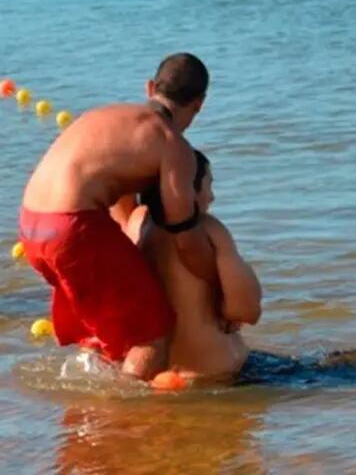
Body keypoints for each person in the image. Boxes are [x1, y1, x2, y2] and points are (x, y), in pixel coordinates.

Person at [18, 53, 216, 379]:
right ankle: (124, 419)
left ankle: (90, 419)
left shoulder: (107, 117)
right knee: (151, 337)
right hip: (72, 226)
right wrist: (218, 287)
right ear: (199, 104)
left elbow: (124, 220)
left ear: (150, 87)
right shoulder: (171, 144)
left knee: (106, 329)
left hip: (31, 225)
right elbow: (186, 234)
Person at [126, 151, 262, 382]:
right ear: (185, 190)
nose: (212, 197)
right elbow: (245, 311)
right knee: (337, 367)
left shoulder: (138, 222)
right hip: (216, 373)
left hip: (157, 373)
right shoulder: (210, 228)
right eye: (208, 185)